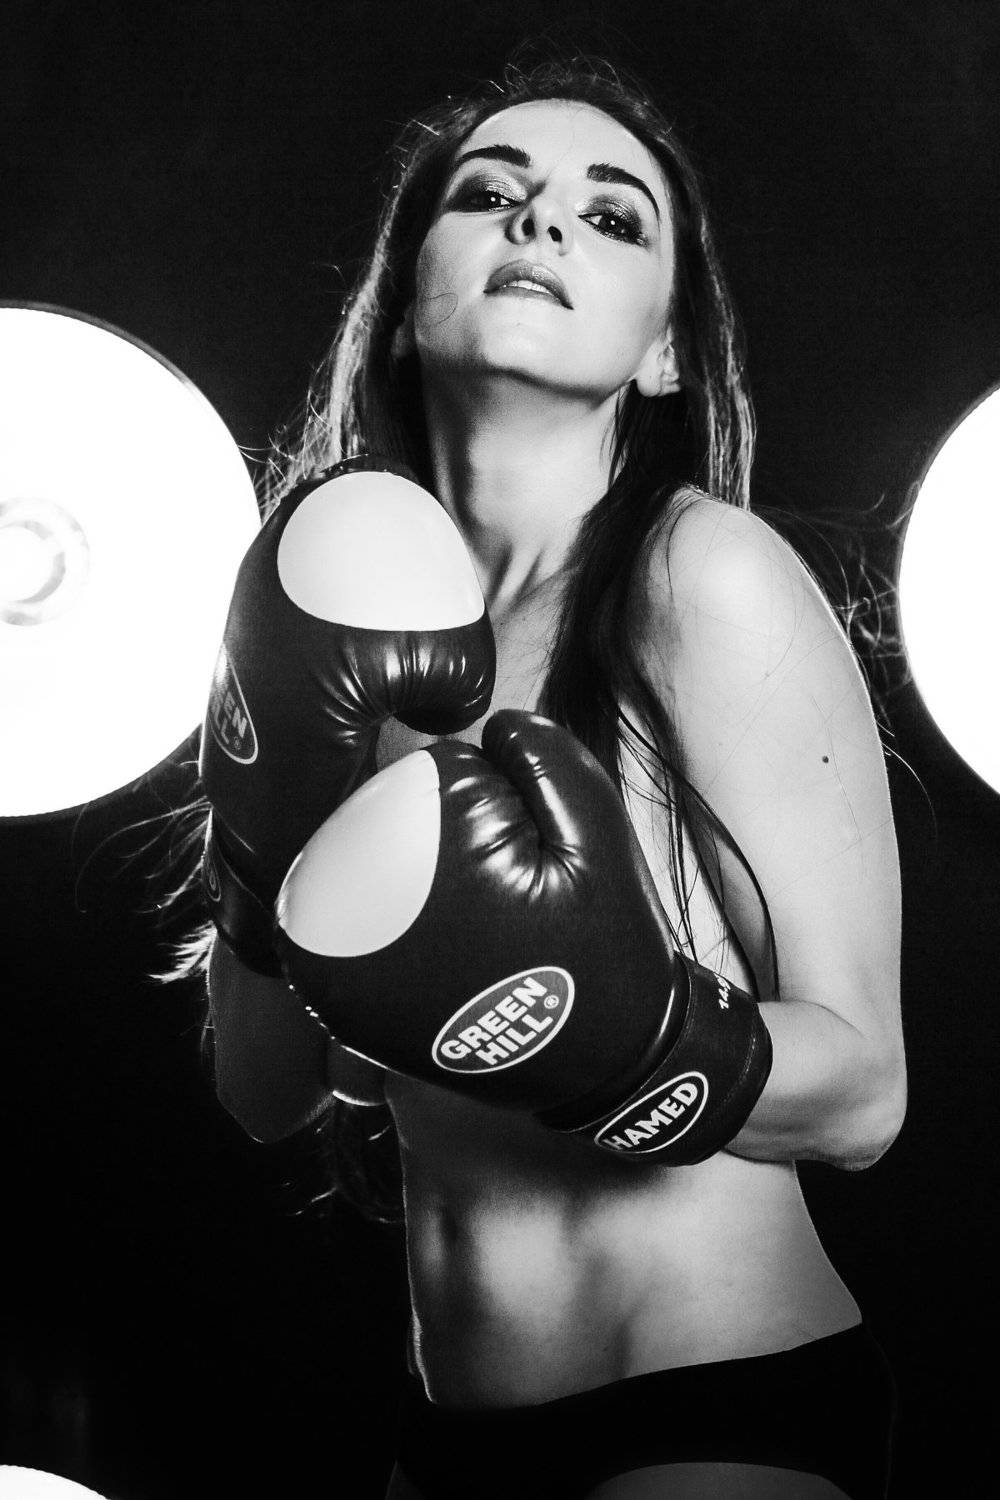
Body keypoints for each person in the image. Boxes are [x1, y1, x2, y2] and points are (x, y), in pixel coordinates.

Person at [195, 55, 905, 1500]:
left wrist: (633, 1038)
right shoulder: (335, 615)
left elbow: (866, 1097)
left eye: (612, 215)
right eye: (489, 194)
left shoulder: (699, 578)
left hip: (711, 1397)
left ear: (666, 352)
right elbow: (262, 1093)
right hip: (443, 1427)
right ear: (407, 299)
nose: (541, 222)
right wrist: (263, 845)